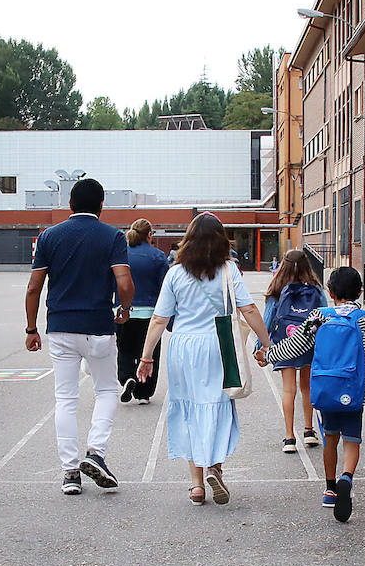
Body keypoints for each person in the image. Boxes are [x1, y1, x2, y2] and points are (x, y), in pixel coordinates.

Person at [136, 213, 272, 506]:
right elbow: (247, 309)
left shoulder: (175, 273)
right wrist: (267, 342)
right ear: (221, 240)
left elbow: (160, 319)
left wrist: (146, 357)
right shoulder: (228, 270)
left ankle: (197, 485)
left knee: (189, 408)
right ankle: (215, 466)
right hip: (218, 343)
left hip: (183, 346)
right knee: (219, 405)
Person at [24, 178, 134, 496]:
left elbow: (34, 287)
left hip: (61, 327)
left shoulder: (49, 237)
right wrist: (124, 309)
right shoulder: (112, 236)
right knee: (106, 392)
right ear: (102, 206)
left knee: (66, 399)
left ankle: (70, 473)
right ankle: (96, 452)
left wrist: (31, 328)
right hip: (99, 326)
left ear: (70, 205)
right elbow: (124, 283)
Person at [258, 266, 365, 522]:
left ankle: (330, 489)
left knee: (330, 438)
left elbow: (297, 346)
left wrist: (268, 355)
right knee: (352, 440)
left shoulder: (319, 316)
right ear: (359, 292)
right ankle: (346, 478)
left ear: (330, 291)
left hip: (326, 388)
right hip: (354, 390)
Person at [256, 249, 327, 454]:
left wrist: (259, 348)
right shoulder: (315, 289)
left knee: (289, 390)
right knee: (307, 388)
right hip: (308, 344)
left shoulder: (277, 289)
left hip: (284, 345)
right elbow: (323, 317)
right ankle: (309, 431)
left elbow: (267, 321)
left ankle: (289, 437)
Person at [117, 218, 168, 404]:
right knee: (148, 352)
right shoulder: (158, 256)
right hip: (150, 313)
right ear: (149, 235)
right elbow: (165, 288)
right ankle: (144, 392)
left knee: (125, 349)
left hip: (124, 310)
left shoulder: (122, 254)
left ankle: (127, 377)